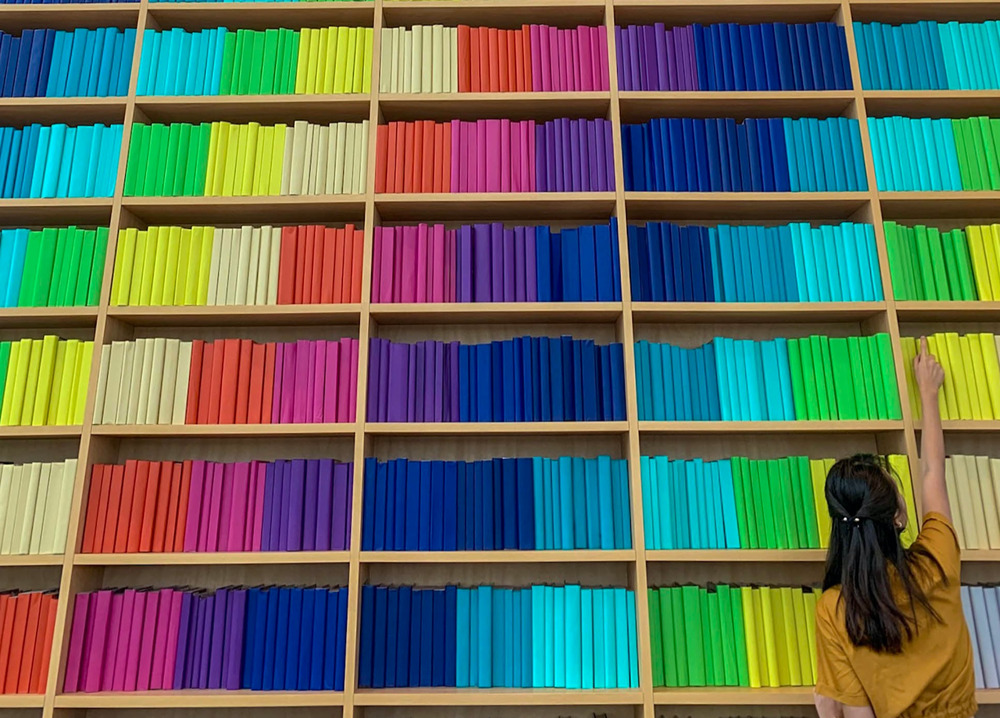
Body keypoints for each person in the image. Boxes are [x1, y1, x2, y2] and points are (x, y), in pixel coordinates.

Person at [813, 337, 977, 718]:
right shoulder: (938, 557)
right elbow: (934, 472)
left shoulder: (835, 610)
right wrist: (928, 394)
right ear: (899, 518)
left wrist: (827, 709)